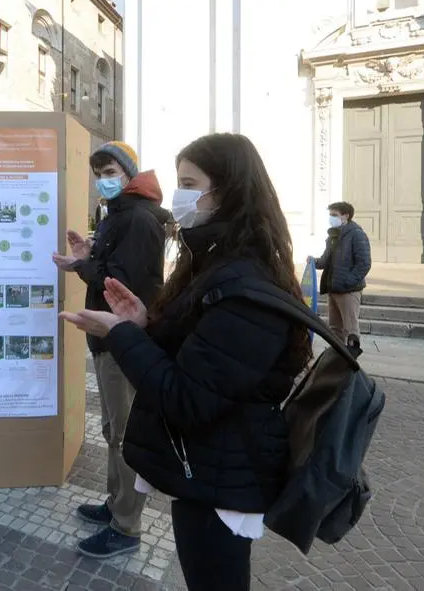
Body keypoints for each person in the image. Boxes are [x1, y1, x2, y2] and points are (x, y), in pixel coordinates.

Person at [60, 133, 313, 590]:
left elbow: (187, 398)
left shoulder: (244, 284)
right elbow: (199, 354)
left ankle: (123, 523)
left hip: (223, 479)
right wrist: (142, 324)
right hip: (206, 469)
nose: (181, 195)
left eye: (190, 182)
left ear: (228, 189)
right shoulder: (215, 260)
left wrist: (120, 335)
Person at [53, 140, 171, 559]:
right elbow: (108, 270)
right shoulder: (118, 214)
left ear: (128, 173)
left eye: (109, 171)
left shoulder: (137, 219)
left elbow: (121, 284)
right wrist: (87, 255)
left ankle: (126, 525)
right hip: (107, 339)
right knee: (113, 431)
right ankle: (114, 503)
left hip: (122, 339)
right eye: (98, 172)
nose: (102, 180)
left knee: (125, 434)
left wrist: (81, 265)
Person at [309, 202, 372, 349]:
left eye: (334, 215)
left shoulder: (357, 234)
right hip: (333, 288)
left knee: (350, 329)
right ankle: (336, 358)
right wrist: (314, 262)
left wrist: (348, 282)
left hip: (348, 291)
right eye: (330, 215)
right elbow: (326, 260)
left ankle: (351, 363)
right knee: (335, 329)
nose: (331, 218)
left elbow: (364, 263)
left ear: (346, 216)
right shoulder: (333, 236)